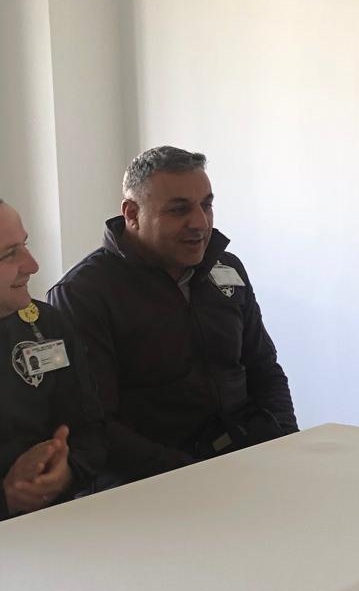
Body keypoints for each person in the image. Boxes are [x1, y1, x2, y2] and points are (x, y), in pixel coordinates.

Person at [49, 146, 297, 486]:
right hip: (150, 487)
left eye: (206, 205)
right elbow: (96, 425)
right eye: (179, 210)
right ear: (132, 214)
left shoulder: (227, 268)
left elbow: (264, 369)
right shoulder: (83, 294)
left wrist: (285, 441)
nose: (200, 223)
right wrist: (195, 475)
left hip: (242, 465)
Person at [1, 198, 105, 520]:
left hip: (57, 526)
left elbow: (91, 431)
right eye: (10, 254)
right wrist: (7, 498)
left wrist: (66, 471)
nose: (32, 265)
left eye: (25, 245)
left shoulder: (47, 325)